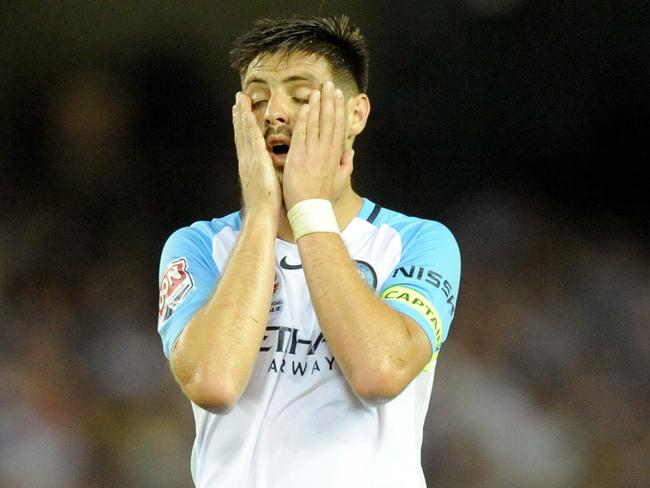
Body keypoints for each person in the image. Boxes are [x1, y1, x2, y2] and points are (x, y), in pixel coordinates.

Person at [157, 15, 461, 488]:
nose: (275, 113)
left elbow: (380, 372)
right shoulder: (198, 246)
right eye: (257, 97)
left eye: (301, 96)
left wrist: (309, 210)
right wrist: (261, 214)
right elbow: (213, 384)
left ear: (356, 115)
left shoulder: (419, 242)